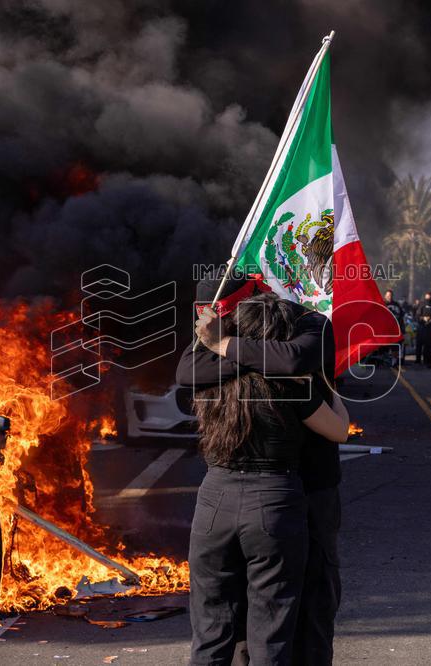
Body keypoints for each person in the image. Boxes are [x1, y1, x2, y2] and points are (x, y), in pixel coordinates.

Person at [178, 275, 342, 665]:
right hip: (275, 497)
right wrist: (329, 390)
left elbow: (189, 372)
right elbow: (338, 429)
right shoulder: (289, 380)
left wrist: (223, 344)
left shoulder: (215, 373)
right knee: (272, 630)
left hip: (216, 496)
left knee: (211, 628)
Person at [415, 292, 431, 368]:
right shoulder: (421, 306)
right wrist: (423, 318)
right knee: (419, 345)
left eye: (430, 298)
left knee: (430, 345)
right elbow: (417, 316)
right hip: (422, 328)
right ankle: (418, 360)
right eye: (427, 298)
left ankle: (428, 360)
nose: (428, 300)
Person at [383, 290, 405, 366]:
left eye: (391, 295)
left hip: (395, 329)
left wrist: (402, 328)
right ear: (385, 296)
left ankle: (394, 361)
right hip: (385, 329)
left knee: (395, 346)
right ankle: (384, 359)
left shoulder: (397, 305)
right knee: (384, 346)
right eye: (388, 296)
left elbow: (401, 316)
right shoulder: (382, 304)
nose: (390, 297)